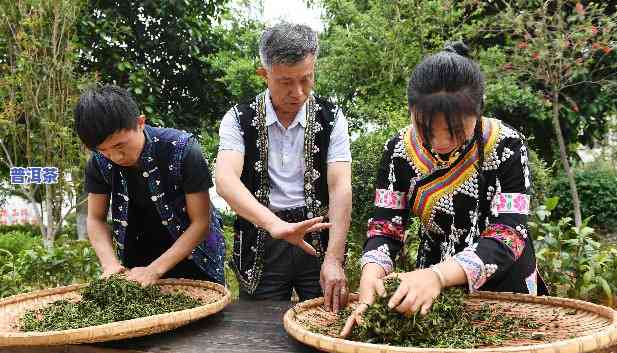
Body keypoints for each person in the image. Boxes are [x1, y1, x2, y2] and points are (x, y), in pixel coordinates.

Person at [342, 42, 547, 336]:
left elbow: (510, 232)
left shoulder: (507, 145)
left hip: (503, 284)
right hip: (428, 287)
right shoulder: (398, 151)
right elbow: (385, 227)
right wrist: (370, 279)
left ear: (478, 111)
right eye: (425, 130)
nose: (440, 143)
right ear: (410, 110)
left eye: (455, 131)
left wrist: (439, 275)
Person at [215, 22, 352, 311]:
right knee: (260, 327)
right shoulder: (238, 119)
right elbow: (225, 180)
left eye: (306, 79)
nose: (298, 92)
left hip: (319, 237)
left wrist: (334, 258)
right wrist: (276, 226)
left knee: (325, 319)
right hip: (261, 238)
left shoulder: (333, 118)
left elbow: (340, 186)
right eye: (285, 82)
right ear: (264, 74)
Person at [75, 84, 225, 286]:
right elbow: (95, 218)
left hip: (195, 258)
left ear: (140, 123)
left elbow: (201, 222)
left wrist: (155, 270)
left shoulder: (184, 150)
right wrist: (110, 265)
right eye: (105, 150)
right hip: (137, 263)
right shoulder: (98, 162)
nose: (116, 157)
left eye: (121, 145)